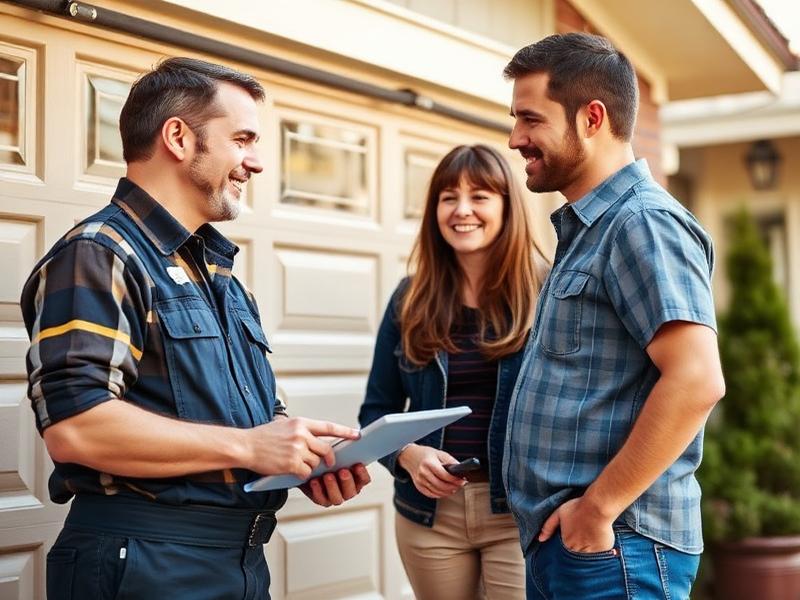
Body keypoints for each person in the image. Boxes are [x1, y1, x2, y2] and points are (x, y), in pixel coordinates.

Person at [20, 57, 370, 600]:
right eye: (243, 139)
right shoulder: (100, 254)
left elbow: (248, 424)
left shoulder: (219, 273)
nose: (255, 163)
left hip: (238, 561)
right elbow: (76, 429)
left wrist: (302, 459)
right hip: (144, 565)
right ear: (179, 138)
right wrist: (251, 448)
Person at [502, 32, 725, 599]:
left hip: (615, 548)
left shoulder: (641, 222)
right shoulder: (588, 228)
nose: (515, 139)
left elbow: (697, 379)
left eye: (530, 119)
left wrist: (597, 511)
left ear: (591, 117)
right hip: (578, 547)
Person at [359, 144, 549, 599]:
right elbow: (375, 413)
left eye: (480, 196)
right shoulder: (410, 299)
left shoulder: (549, 292)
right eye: (449, 197)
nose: (462, 210)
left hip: (520, 514)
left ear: (507, 205)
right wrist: (408, 455)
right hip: (430, 517)